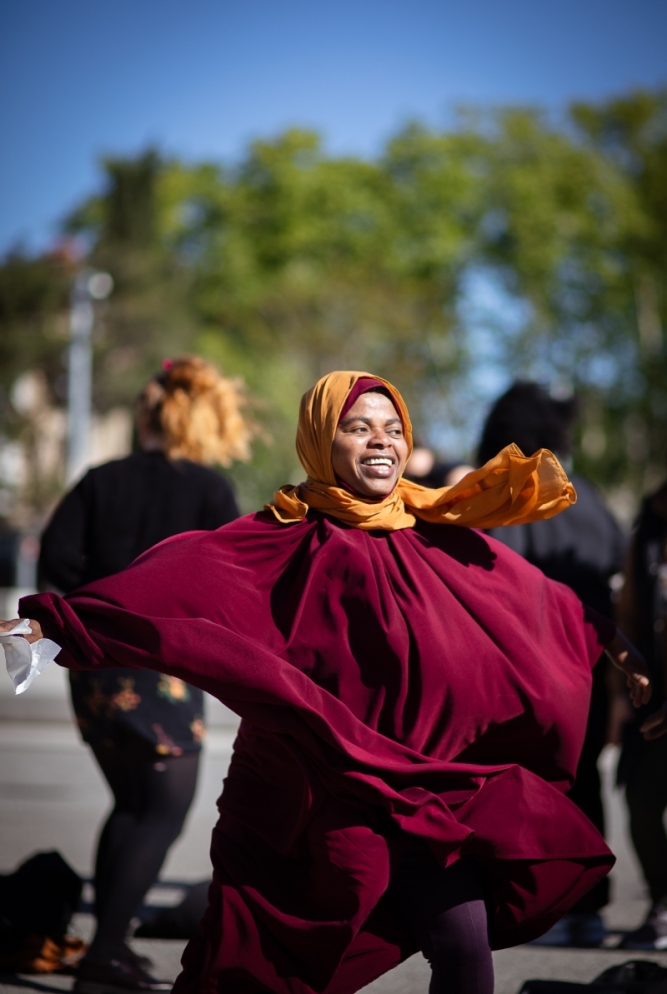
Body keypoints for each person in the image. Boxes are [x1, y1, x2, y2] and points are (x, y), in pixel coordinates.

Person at [4, 370, 655, 994]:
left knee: (462, 941)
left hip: (422, 789)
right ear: (321, 439)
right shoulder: (281, 536)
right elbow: (172, 581)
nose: (382, 441)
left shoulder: (434, 535)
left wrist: (619, 651)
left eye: (392, 428)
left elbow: (541, 603)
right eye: (358, 427)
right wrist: (50, 624)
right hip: (316, 790)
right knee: (278, 963)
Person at [37, 356, 255, 993]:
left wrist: (81, 624)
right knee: (163, 809)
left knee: (130, 804)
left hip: (92, 661)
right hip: (159, 666)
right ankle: (104, 954)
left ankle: (109, 948)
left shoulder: (100, 480)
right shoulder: (209, 490)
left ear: (147, 414)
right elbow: (227, 579)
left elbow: (55, 560)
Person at [477, 382, 626, 947]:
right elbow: (620, 575)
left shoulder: (500, 494)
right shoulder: (587, 497)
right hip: (587, 670)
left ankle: (525, 901)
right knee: (582, 781)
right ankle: (588, 903)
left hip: (515, 672)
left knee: (513, 788)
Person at [615, 480, 667, 949]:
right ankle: (662, 904)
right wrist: (619, 695)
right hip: (651, 697)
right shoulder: (648, 531)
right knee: (642, 805)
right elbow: (628, 614)